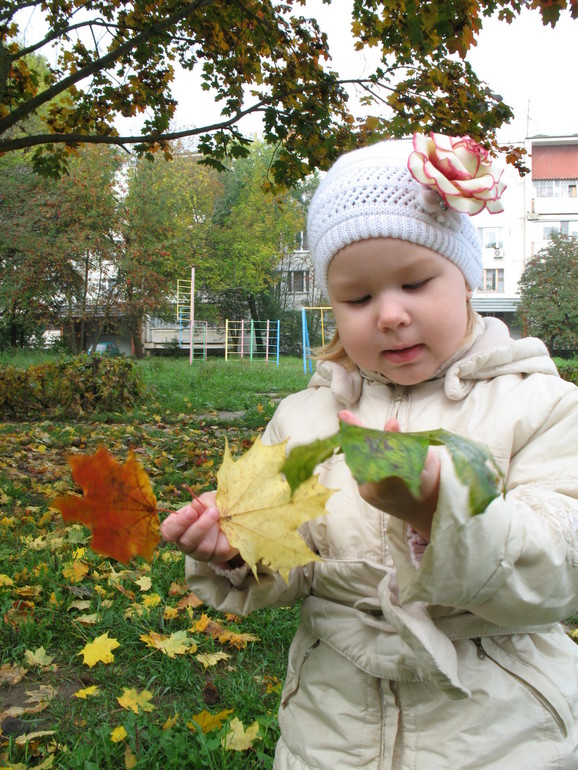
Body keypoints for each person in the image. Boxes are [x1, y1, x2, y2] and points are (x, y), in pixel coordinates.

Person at [161, 134, 578, 770]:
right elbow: (294, 560)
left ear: (467, 279)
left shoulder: (540, 405)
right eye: (357, 298)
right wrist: (239, 549)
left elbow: (562, 563)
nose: (389, 314)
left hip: (499, 730)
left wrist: (444, 514)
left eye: (414, 282)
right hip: (332, 729)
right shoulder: (303, 419)